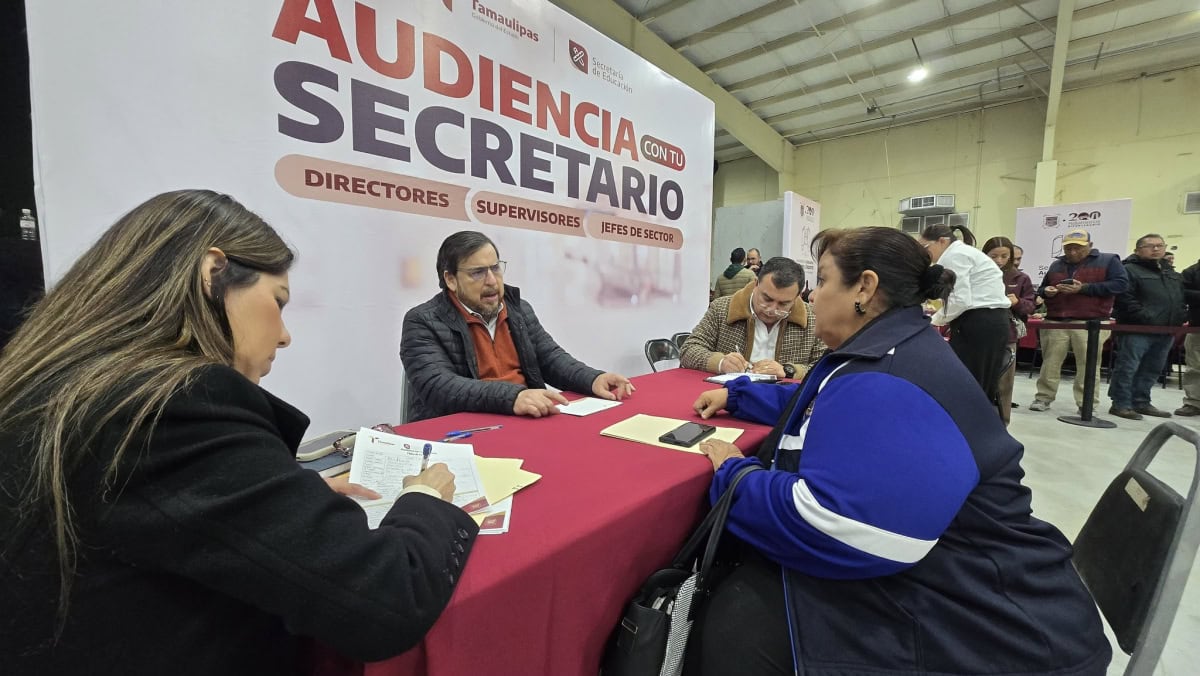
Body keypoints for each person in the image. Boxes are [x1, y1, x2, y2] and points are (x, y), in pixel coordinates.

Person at [0, 190, 478, 674]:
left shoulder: (61, 389)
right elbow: (388, 598)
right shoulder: (175, 409)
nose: (285, 335)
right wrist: (424, 499)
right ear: (213, 273)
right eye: (278, 301)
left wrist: (275, 492)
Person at [682, 227, 1110, 676]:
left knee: (734, 619)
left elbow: (835, 529)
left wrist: (737, 477)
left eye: (823, 281)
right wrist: (740, 396)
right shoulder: (892, 350)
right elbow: (825, 402)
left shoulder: (891, 378)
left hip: (987, 622)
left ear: (864, 288)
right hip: (966, 586)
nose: (813, 296)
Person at [401, 231, 633, 422]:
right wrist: (513, 397)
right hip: (464, 430)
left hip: (524, 420)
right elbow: (440, 387)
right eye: (478, 273)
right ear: (451, 280)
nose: (492, 281)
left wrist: (593, 379)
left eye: (495, 268)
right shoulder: (422, 321)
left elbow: (550, 359)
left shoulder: (518, 309)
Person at [1029, 229, 1129, 413]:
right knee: (1050, 363)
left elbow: (1121, 285)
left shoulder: (1109, 261)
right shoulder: (1056, 264)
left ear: (1090, 246)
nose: (1073, 252)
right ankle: (1043, 398)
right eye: (1068, 248)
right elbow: (1042, 289)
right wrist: (1047, 291)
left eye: (1078, 248)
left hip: (1091, 323)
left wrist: (1084, 288)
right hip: (1056, 321)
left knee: (1088, 365)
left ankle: (1086, 404)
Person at [680, 257, 824, 379]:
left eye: (783, 303)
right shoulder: (722, 309)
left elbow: (827, 367)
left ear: (798, 296)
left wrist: (789, 371)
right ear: (756, 284)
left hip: (785, 399)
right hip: (727, 395)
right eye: (767, 299)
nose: (772, 310)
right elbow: (689, 349)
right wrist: (720, 363)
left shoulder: (813, 319)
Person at [920, 224, 1011, 402]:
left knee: (971, 383)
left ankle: (972, 418)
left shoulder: (954, 255)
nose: (925, 253)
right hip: (989, 321)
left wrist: (932, 320)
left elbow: (960, 300)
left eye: (925, 247)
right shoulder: (963, 252)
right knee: (979, 383)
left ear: (942, 241)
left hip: (980, 322)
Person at [1107, 233, 1186, 420]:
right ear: (1137, 250)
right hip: (1137, 328)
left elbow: (1180, 298)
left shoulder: (1171, 273)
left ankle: (1141, 401)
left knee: (1153, 368)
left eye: (1160, 245)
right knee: (1128, 367)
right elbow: (1124, 298)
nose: (1156, 249)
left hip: (1166, 329)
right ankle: (1121, 403)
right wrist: (1145, 316)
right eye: (1150, 246)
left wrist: (1181, 315)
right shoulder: (1128, 270)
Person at [983, 236, 1036, 425]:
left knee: (1005, 383)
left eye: (1004, 256)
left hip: (1007, 336)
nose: (999, 260)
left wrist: (1017, 302)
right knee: (979, 380)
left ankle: (1002, 422)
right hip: (980, 335)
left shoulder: (1020, 278)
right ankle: (978, 420)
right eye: (993, 256)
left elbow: (1030, 306)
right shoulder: (976, 274)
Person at [1177, 256, 1200, 416]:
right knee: (1195, 366)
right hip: (1197, 324)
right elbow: (1180, 293)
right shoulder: (1192, 271)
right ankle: (1193, 402)